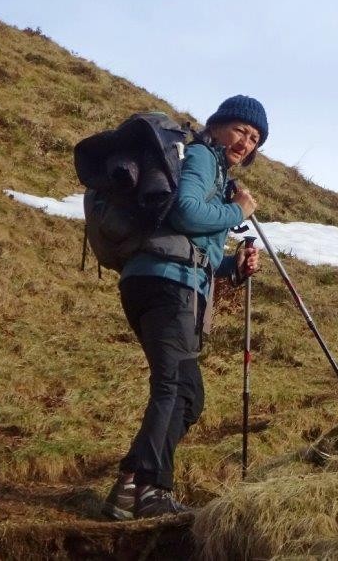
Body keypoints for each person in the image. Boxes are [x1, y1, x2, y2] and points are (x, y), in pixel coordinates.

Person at [103, 95, 267, 519]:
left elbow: (193, 243)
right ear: (217, 126)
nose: (247, 143)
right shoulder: (200, 157)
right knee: (173, 385)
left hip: (165, 280)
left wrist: (234, 267)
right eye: (241, 131)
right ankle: (149, 489)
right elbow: (188, 212)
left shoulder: (211, 167)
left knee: (188, 396)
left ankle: (130, 488)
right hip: (166, 284)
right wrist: (237, 209)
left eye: (254, 139)